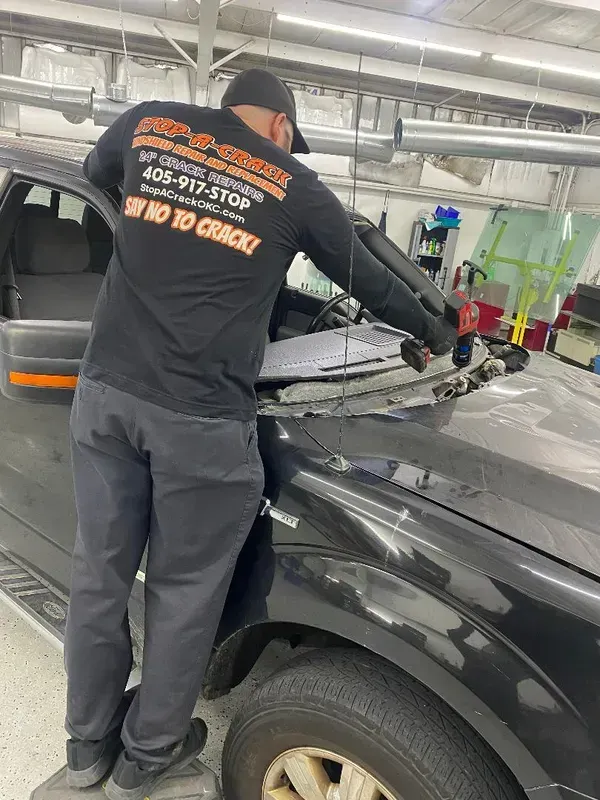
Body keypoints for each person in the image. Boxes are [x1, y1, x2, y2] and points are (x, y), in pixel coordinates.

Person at [64, 67, 457, 800]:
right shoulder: (292, 184)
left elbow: (97, 172)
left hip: (107, 399)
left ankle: (87, 750)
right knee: (181, 597)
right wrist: (437, 332)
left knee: (98, 579)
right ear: (282, 127)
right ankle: (148, 759)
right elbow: (375, 284)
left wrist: (168, 220)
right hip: (200, 422)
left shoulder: (149, 124)